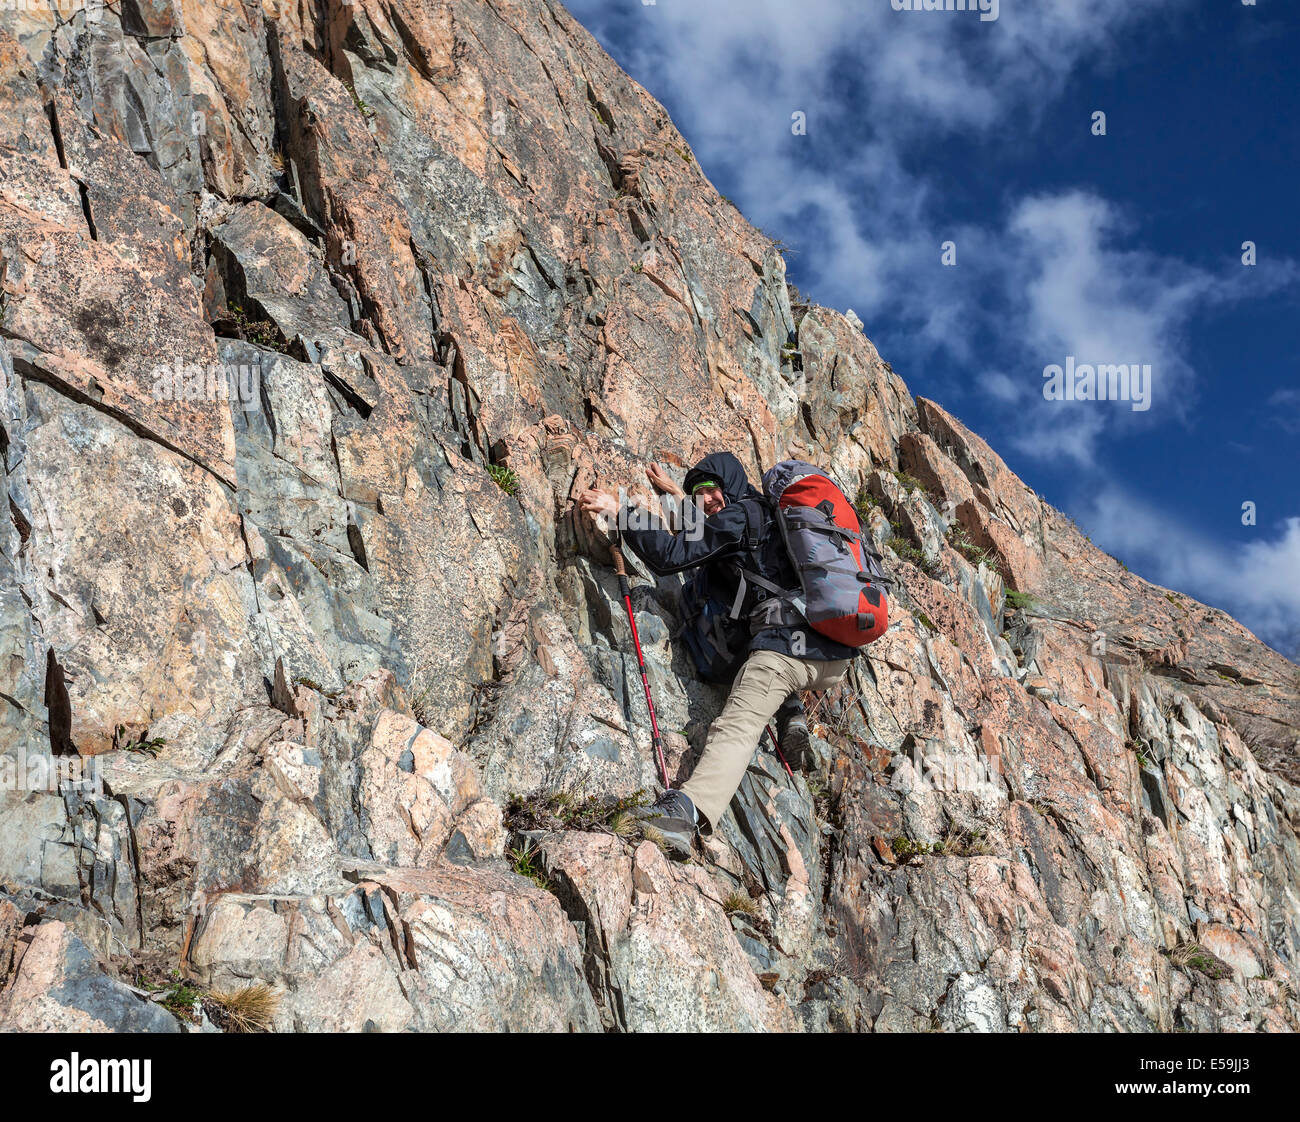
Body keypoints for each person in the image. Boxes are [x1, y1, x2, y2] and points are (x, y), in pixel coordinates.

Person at [577, 452, 856, 858]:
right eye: (697, 495)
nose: (704, 500)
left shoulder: (738, 518)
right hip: (833, 650)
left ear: (729, 485)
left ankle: (686, 812)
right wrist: (679, 494)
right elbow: (707, 530)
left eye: (710, 491)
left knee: (736, 725)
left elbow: (673, 557)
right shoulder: (770, 517)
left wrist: (621, 512)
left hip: (787, 651)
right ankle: (790, 709)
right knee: (740, 614)